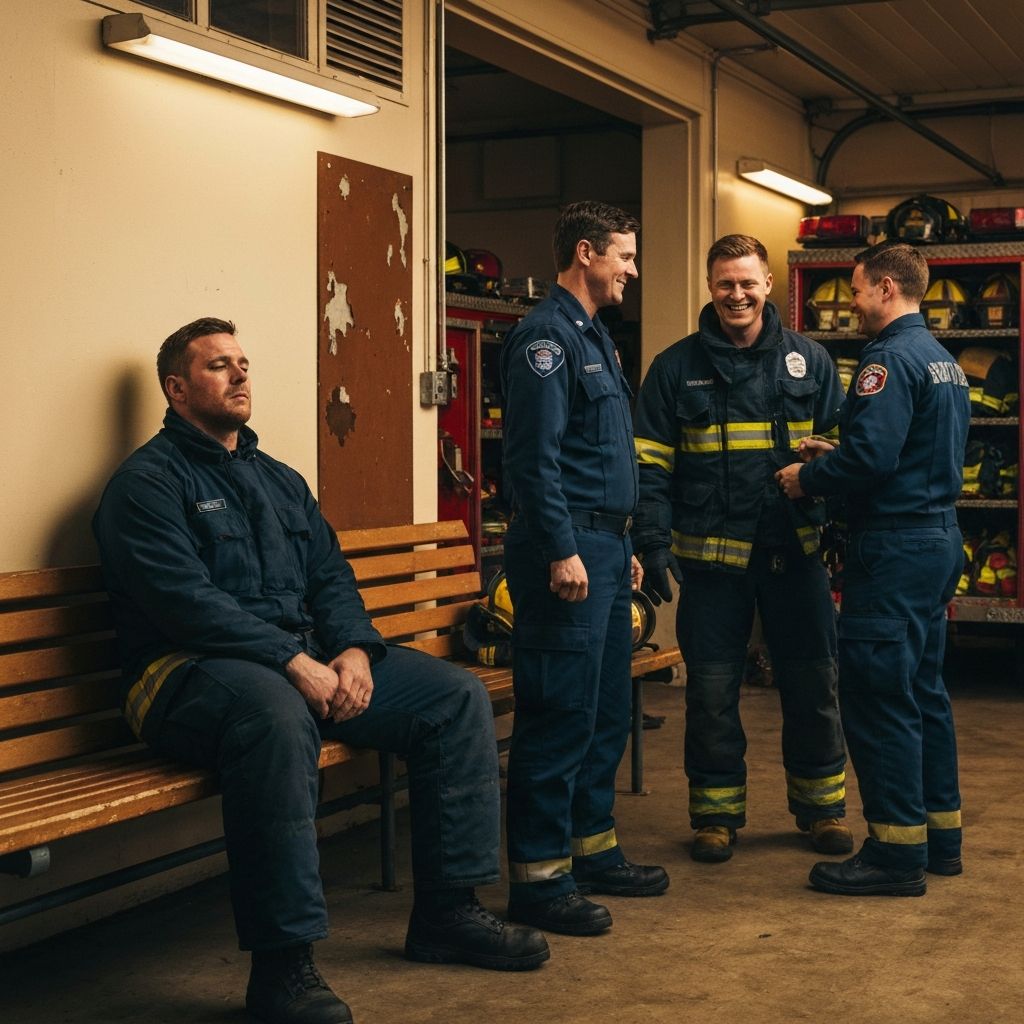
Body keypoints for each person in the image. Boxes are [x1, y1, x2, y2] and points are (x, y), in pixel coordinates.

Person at [92, 318, 548, 1024]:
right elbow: (184, 604)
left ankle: (447, 914)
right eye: (219, 366)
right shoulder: (145, 485)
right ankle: (283, 970)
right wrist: (290, 659)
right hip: (184, 675)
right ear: (178, 390)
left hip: (296, 666)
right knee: (273, 719)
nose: (241, 375)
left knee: (454, 698)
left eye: (244, 362)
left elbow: (330, 578)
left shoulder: (278, 479)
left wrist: (355, 651)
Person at [632, 234, 852, 864]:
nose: (737, 294)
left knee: (814, 685)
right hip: (712, 565)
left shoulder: (811, 361)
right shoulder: (675, 369)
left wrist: (831, 491)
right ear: (710, 287)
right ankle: (716, 816)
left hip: (797, 554)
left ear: (767, 286)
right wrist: (652, 541)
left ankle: (822, 810)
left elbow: (846, 450)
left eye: (748, 283)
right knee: (710, 692)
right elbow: (648, 464)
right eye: (725, 283)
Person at [776, 241, 970, 896]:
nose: (852, 304)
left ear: (886, 288)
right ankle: (940, 840)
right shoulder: (942, 360)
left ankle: (893, 855)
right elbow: (901, 450)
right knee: (923, 694)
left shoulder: (884, 360)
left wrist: (811, 476)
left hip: (893, 551)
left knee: (879, 697)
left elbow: (873, 464)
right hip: (936, 539)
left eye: (857, 291)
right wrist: (845, 448)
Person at [499, 201, 669, 937]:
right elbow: (532, 462)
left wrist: (620, 541)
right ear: (586, 253)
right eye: (624, 257)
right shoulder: (545, 339)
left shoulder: (596, 337)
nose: (632, 269)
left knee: (602, 712)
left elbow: (599, 456)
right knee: (557, 715)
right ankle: (539, 882)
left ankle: (592, 850)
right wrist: (563, 547)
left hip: (603, 546)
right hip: (563, 551)